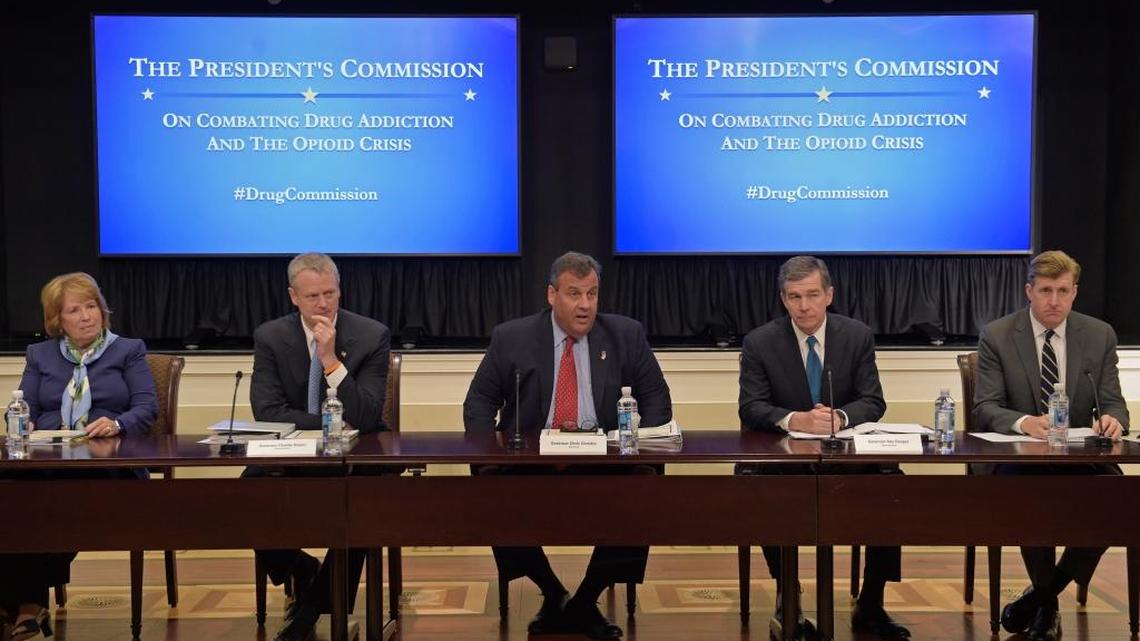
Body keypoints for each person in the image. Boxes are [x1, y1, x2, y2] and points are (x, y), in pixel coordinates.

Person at [463, 251, 672, 641]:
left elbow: (658, 400)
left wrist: (636, 444)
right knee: (489, 483)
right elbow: (479, 402)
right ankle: (553, 591)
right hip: (531, 460)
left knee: (644, 483)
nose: (585, 305)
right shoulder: (513, 337)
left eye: (592, 294)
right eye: (574, 293)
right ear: (551, 295)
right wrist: (489, 450)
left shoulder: (626, 334)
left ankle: (585, 600)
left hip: (603, 460)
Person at [738, 256, 909, 641]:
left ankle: (871, 602)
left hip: (843, 456)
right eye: (795, 297)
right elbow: (751, 407)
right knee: (759, 483)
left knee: (891, 482)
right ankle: (787, 594)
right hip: (786, 460)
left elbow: (873, 401)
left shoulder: (856, 335)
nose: (804, 306)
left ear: (829, 295)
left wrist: (841, 417)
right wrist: (795, 420)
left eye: (813, 295)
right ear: (783, 299)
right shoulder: (760, 342)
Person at [975, 250, 1127, 641]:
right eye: (1045, 290)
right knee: (1032, 497)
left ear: (1075, 292)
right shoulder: (998, 335)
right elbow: (986, 407)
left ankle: (1041, 597)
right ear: (1029, 291)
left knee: (1121, 500)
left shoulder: (1099, 335)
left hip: (1079, 457)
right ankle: (1047, 611)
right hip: (1019, 458)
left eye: (1063, 291)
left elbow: (1113, 403)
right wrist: (1024, 423)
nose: (1054, 301)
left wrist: (1112, 421)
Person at [2, 272, 157, 641]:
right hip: (51, 460)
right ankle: (21, 604)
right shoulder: (40, 354)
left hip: (110, 465)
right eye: (75, 310)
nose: (87, 316)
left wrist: (116, 423)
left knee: (58, 503)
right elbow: (22, 410)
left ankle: (24, 603)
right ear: (58, 320)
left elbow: (146, 408)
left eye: (92, 307)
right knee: (10, 493)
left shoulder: (128, 350)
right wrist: (37, 423)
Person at [247, 253, 391, 641]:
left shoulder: (371, 335)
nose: (323, 304)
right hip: (293, 454)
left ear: (340, 291)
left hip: (357, 456)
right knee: (248, 490)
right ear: (294, 297)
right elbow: (268, 412)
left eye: (330, 293)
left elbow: (367, 415)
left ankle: (311, 611)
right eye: (313, 296)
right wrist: (331, 421)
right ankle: (299, 565)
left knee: (362, 500)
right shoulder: (270, 337)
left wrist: (330, 361)